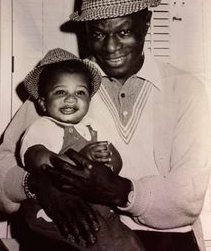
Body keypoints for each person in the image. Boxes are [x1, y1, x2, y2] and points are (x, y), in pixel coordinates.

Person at [0, 0, 211, 251]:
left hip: (168, 240)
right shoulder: (66, 86)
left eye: (124, 31)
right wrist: (37, 184)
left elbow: (188, 199)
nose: (110, 47)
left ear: (146, 22)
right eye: (98, 34)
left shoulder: (185, 89)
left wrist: (120, 192)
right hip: (82, 237)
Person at [19, 47, 143, 250]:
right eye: (61, 92)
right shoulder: (44, 126)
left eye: (80, 92)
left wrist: (110, 160)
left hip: (98, 205)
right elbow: (36, 159)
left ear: (88, 101)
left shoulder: (92, 126)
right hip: (60, 211)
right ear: (42, 102)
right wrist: (80, 158)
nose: (71, 98)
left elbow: (115, 162)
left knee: (129, 243)